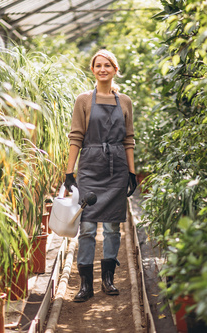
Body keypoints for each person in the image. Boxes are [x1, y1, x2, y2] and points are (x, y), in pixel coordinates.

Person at [64, 49, 137, 302]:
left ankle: (108, 280)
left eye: (108, 65)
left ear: (115, 69)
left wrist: (132, 172)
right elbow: (76, 137)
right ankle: (86, 285)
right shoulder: (83, 100)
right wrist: (69, 171)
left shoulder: (125, 101)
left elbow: (129, 139)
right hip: (90, 167)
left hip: (116, 168)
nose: (103, 69)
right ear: (93, 70)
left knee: (112, 227)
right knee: (86, 227)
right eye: (98, 65)